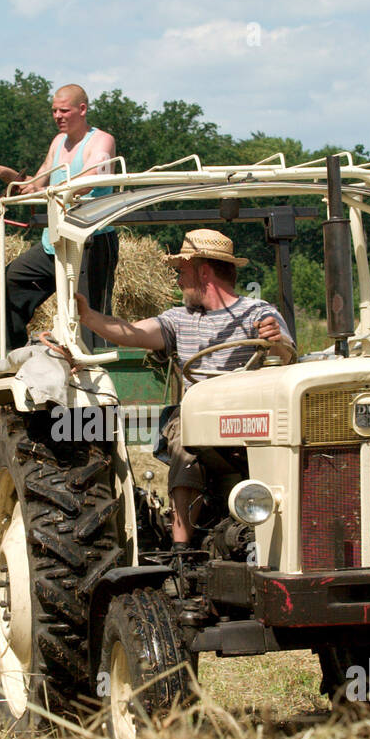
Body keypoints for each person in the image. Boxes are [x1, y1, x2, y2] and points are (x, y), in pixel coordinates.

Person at [74, 229, 295, 549]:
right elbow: (133, 333)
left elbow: (285, 356)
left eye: (182, 272)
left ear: (203, 270)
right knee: (183, 427)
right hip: (202, 418)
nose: (178, 281)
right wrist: (89, 317)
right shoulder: (179, 319)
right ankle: (181, 547)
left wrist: (277, 343)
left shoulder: (259, 314)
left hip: (251, 417)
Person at [0, 84, 119, 351]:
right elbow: (35, 183)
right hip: (55, 241)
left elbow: (91, 180)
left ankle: (99, 377)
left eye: (64, 110)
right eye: (54, 110)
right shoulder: (58, 142)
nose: (58, 116)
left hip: (91, 242)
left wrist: (47, 190)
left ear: (82, 109)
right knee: (6, 284)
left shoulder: (102, 140)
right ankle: (12, 357)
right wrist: (9, 174)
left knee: (87, 314)